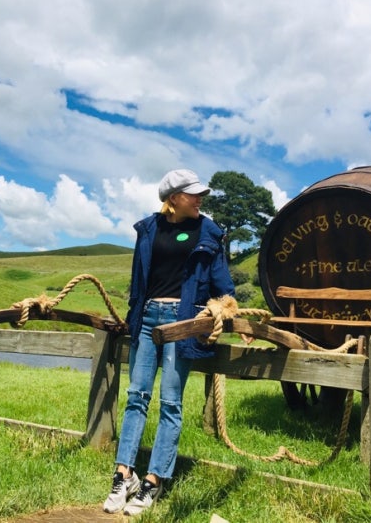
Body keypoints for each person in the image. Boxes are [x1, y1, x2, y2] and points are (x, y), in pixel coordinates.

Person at [103, 168, 236, 516]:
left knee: (171, 402)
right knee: (136, 396)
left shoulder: (209, 232)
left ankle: (154, 481)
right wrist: (132, 319)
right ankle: (123, 475)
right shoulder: (148, 229)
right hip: (147, 318)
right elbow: (138, 281)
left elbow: (224, 287)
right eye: (193, 193)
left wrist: (222, 309)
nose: (200, 198)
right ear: (174, 198)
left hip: (184, 320)